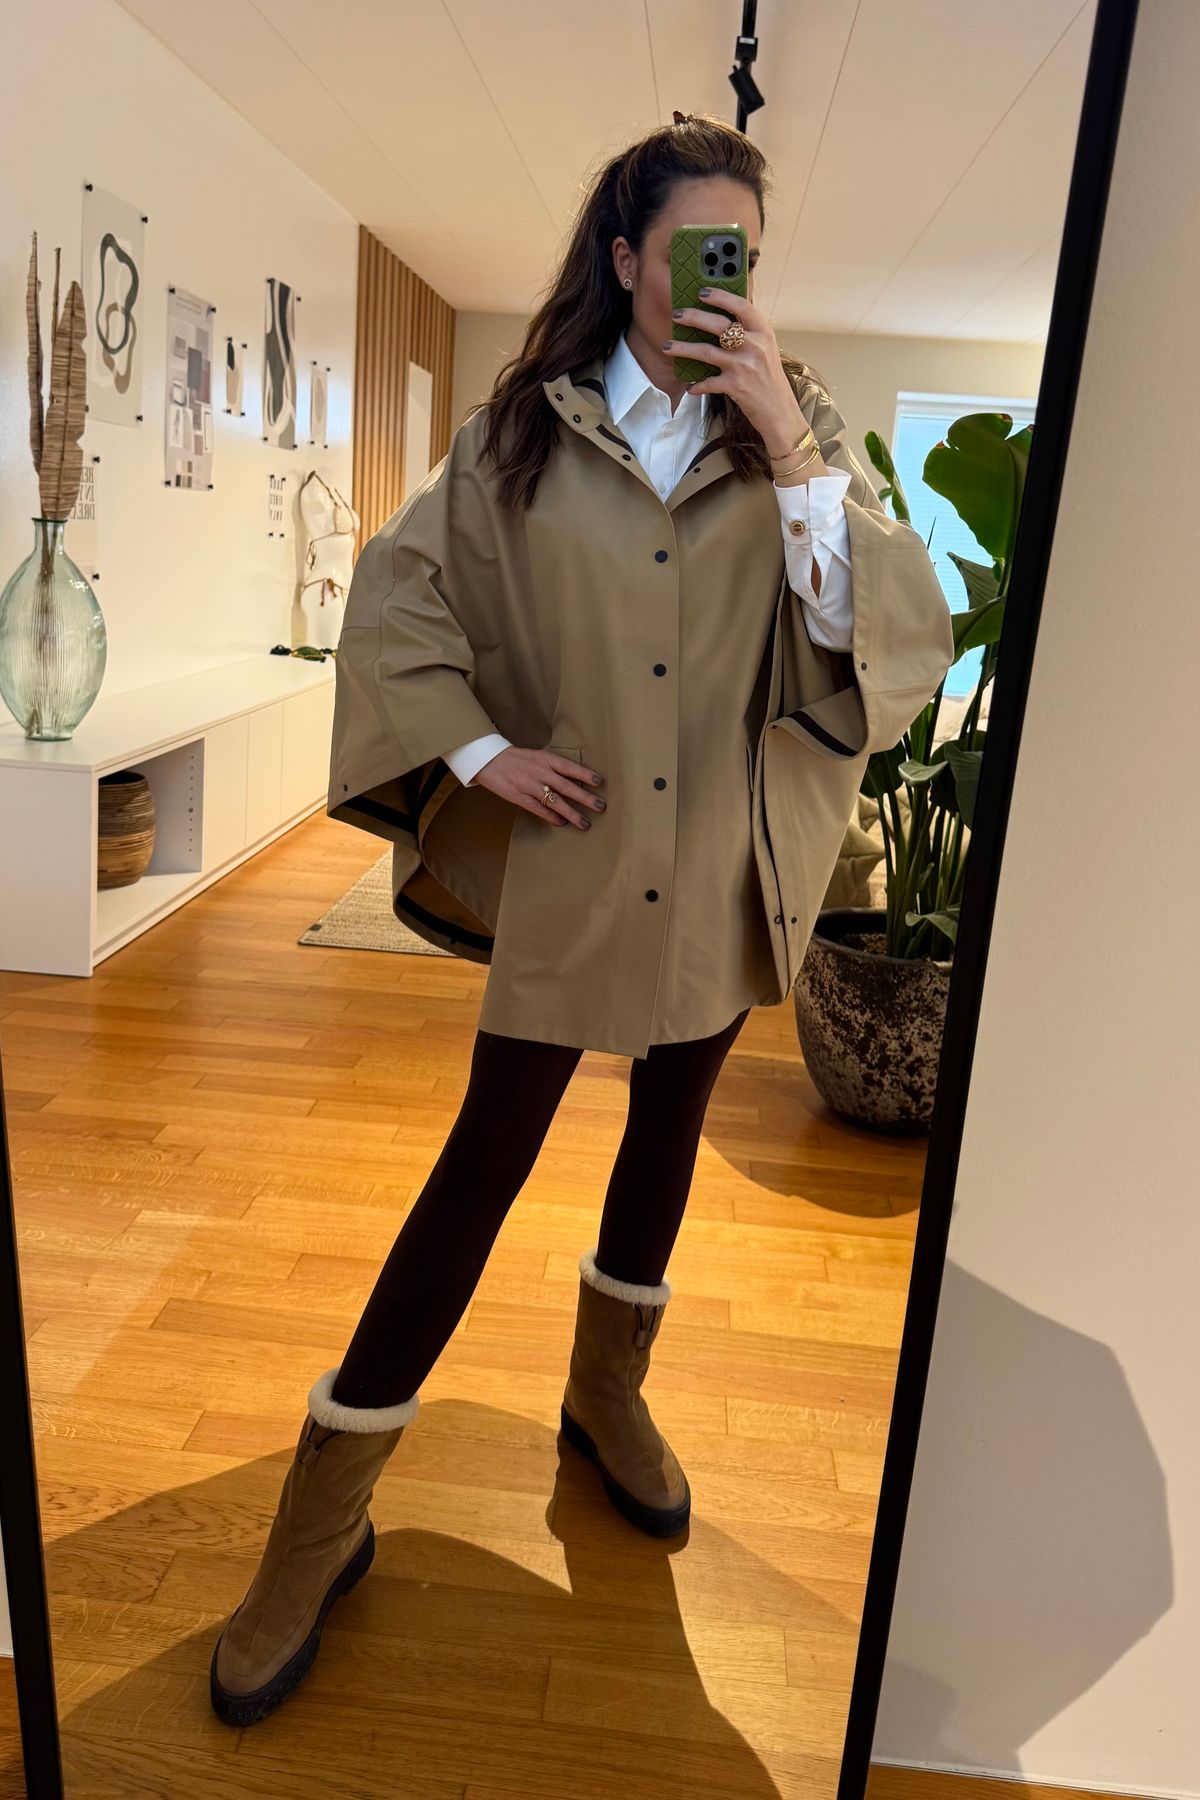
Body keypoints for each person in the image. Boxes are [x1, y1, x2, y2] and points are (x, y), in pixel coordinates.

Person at [210, 110, 955, 1728]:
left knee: (669, 1130)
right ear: (625, 259)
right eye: (695, 251)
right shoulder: (522, 433)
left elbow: (872, 633)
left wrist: (794, 444)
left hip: (725, 856)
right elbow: (402, 587)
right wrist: (484, 754)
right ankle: (318, 1521)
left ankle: (605, 1398)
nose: (723, 283)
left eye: (744, 256)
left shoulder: (795, 423)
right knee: (483, 1161)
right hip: (582, 852)